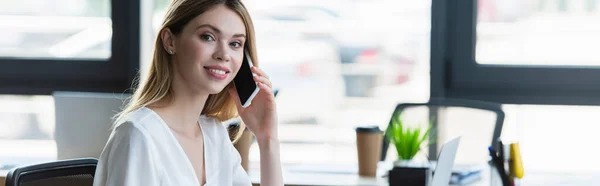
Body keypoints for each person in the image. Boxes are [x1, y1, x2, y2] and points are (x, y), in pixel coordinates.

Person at [92, 0, 283, 185]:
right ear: (170, 41)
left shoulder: (215, 135)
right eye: (208, 37)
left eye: (235, 43)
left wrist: (267, 139)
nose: (224, 54)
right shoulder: (139, 135)